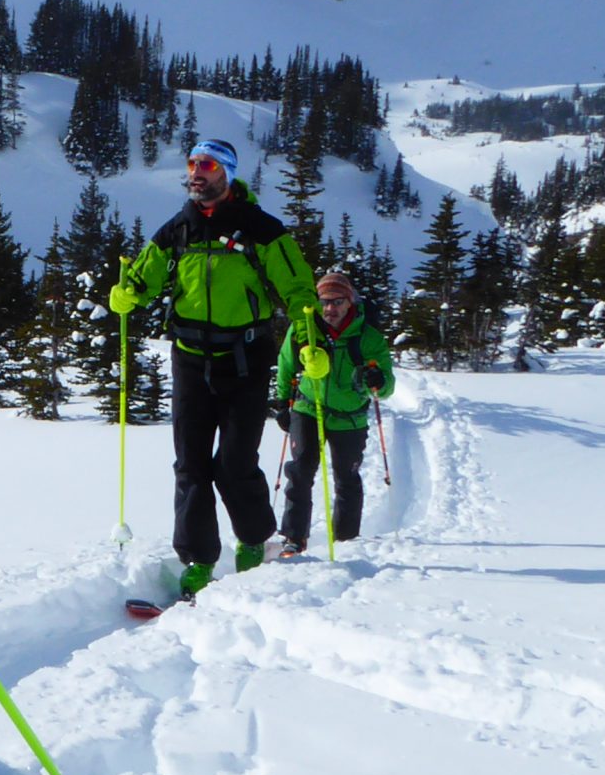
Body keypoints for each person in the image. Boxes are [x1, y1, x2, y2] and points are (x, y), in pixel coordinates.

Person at [108, 138, 321, 600]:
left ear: (226, 172)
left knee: (235, 462)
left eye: (206, 165)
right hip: (190, 360)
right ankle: (199, 561)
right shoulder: (179, 229)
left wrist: (308, 342)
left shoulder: (261, 229)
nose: (196, 172)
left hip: (245, 359)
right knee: (190, 465)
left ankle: (253, 543)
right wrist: (127, 294)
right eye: (192, 164)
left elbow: (299, 289)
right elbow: (143, 279)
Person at [274, 271, 394, 557]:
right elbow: (286, 364)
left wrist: (378, 380)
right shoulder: (304, 328)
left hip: (350, 416)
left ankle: (346, 541)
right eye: (324, 301)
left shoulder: (368, 337)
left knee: (346, 477)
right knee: (300, 471)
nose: (330, 308)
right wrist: (282, 403)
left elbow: (387, 386)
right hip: (307, 408)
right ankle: (293, 538)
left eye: (337, 301)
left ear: (350, 301)